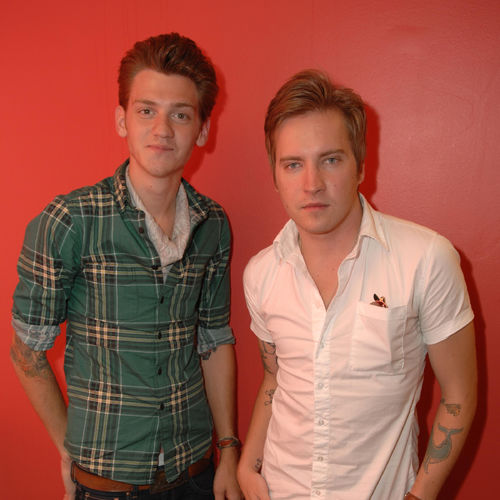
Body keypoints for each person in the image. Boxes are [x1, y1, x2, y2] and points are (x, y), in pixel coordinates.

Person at [11, 33, 241, 500]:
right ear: (122, 120)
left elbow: (214, 341)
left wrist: (229, 448)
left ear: (202, 130)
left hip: (197, 471)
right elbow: (26, 352)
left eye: (180, 114)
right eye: (146, 111)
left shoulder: (213, 224)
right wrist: (68, 450)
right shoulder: (69, 222)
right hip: (106, 483)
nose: (163, 129)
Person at [237, 69, 477, 500]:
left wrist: (420, 495)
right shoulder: (261, 273)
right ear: (275, 175)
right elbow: (275, 377)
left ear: (361, 166)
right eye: (293, 164)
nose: (311, 184)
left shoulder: (426, 259)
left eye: (331, 160)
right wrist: (247, 464)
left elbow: (459, 393)